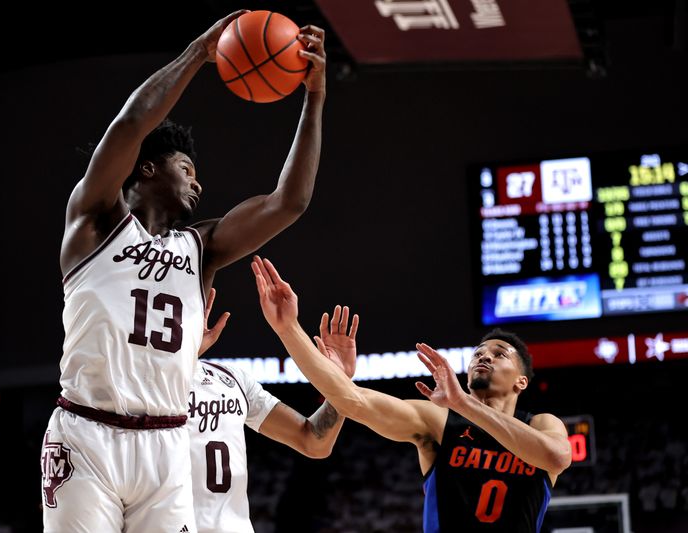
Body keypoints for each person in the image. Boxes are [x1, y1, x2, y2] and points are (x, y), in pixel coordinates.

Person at [40, 10, 328, 532]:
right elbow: (131, 125)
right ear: (147, 168)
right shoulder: (94, 220)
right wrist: (198, 53)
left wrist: (314, 97)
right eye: (187, 168)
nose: (198, 183)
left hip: (168, 441)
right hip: (86, 434)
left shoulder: (203, 248)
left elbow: (290, 202)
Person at [251, 256, 572, 533]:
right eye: (478, 353)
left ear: (521, 382)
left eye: (499, 353)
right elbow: (352, 400)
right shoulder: (439, 422)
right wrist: (288, 329)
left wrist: (462, 402)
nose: (483, 357)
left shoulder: (541, 424)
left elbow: (556, 457)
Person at [189, 288, 356, 533]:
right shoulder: (136, 382)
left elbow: (313, 441)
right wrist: (183, 360)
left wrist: (338, 381)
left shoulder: (231, 379)